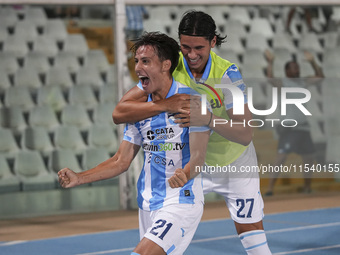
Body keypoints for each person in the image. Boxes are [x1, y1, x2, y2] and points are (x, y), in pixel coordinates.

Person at [113, 10, 272, 255]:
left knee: (253, 239)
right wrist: (166, 104)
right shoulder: (169, 65)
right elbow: (121, 111)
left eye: (199, 47)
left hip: (233, 161)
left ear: (213, 42)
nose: (191, 54)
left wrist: (207, 119)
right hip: (192, 164)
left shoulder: (229, 74)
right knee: (160, 242)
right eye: (185, 47)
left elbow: (245, 133)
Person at [58, 32, 210, 255]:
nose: (138, 67)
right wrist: (80, 177)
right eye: (137, 61)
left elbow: (199, 157)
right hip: (147, 204)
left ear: (166, 65)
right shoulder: (139, 109)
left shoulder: (192, 101)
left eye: (146, 61)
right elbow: (121, 160)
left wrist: (186, 174)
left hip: (180, 201)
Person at [264, 49, 324, 196]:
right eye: (295, 68)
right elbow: (270, 78)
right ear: (287, 71)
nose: (298, 70)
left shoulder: (303, 81)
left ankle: (307, 187)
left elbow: (320, 76)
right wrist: (271, 62)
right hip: (289, 128)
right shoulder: (283, 83)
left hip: (304, 127)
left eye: (298, 68)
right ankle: (270, 188)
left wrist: (312, 62)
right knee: (281, 157)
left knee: (308, 158)